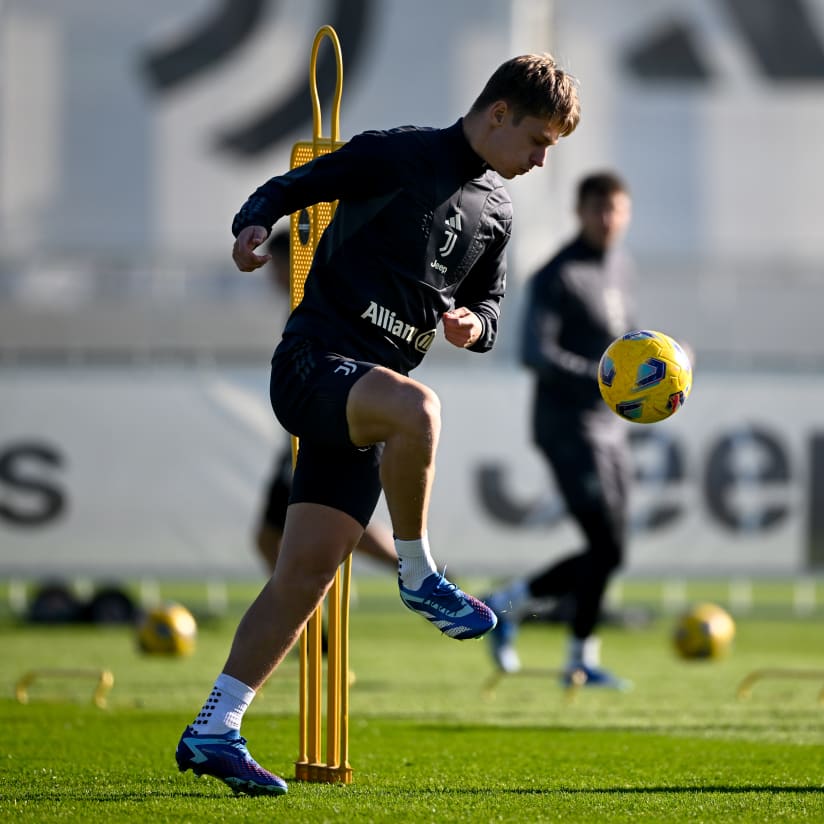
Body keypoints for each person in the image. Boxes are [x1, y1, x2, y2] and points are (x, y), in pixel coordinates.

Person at [175, 53, 581, 796]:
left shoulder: (497, 211)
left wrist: (475, 326)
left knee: (304, 577)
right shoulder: (399, 153)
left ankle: (215, 729)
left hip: (368, 406)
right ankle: (419, 574)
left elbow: (491, 307)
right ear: (498, 113)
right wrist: (253, 224)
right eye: (537, 141)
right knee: (420, 409)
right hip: (314, 365)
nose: (540, 160)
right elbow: (292, 186)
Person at [484, 171, 634, 689]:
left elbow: (629, 347)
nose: (608, 219)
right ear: (580, 212)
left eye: (616, 209)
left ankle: (556, 640)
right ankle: (542, 628)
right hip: (567, 427)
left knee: (610, 550)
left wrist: (670, 360)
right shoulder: (557, 275)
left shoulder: (620, 267)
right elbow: (534, 353)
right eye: (599, 209)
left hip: (610, 428)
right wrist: (602, 377)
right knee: (605, 544)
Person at [254, 230, 398, 578]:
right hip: (306, 428)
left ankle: (415, 570)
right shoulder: (303, 303)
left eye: (276, 266)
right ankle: (307, 617)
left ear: (293, 263)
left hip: (320, 428)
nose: (272, 277)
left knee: (335, 526)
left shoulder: (317, 301)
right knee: (271, 537)